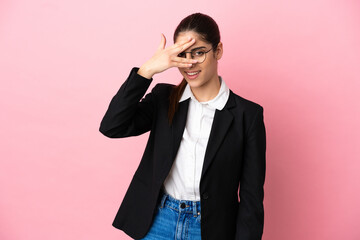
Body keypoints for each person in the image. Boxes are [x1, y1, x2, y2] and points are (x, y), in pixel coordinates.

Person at [99, 13, 266, 240]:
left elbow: (251, 196)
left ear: (218, 51)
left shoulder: (248, 115)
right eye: (182, 55)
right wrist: (147, 70)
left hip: (210, 229)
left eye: (198, 52)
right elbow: (112, 126)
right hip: (158, 222)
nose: (190, 63)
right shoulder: (163, 99)